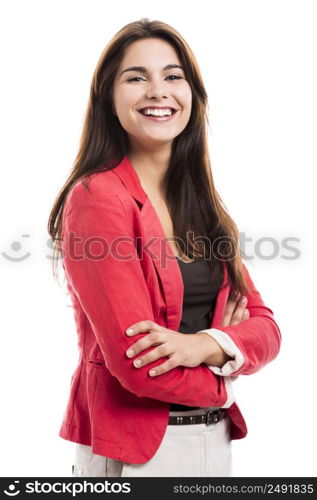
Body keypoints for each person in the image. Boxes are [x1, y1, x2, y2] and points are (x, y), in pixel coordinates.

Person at [48, 18, 281, 477]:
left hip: (214, 444)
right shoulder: (97, 198)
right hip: (138, 455)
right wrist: (226, 373)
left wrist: (201, 345)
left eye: (173, 76)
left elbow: (267, 329)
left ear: (192, 95)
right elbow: (139, 366)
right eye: (136, 78)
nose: (158, 91)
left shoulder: (201, 204)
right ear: (108, 98)